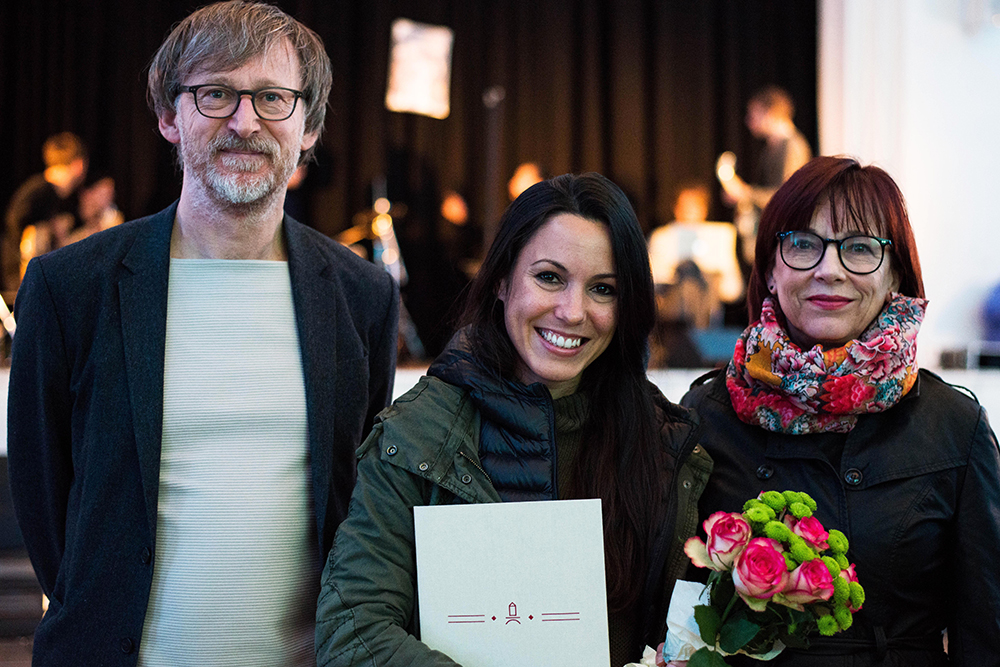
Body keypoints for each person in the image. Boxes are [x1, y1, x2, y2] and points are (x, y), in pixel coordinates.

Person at [7, 2, 399, 665]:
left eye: (272, 97)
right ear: (169, 116)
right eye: (216, 93)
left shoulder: (361, 296)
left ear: (308, 127)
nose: (244, 122)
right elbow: (48, 510)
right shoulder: (69, 288)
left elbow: (350, 504)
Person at [315, 172, 713, 667]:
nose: (572, 311)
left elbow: (687, 627)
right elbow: (352, 629)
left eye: (603, 289)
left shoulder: (665, 441)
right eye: (549, 277)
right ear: (501, 281)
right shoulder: (416, 434)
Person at [681, 156, 1000, 666]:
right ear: (769, 268)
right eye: (804, 244)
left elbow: (987, 633)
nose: (830, 270)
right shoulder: (706, 414)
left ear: (896, 271)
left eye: (859, 248)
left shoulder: (954, 427)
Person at [718, 87, 811, 264]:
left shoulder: (793, 146)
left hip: (784, 239)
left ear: (768, 112)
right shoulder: (771, 147)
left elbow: (787, 197)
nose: (748, 121)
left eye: (753, 114)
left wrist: (745, 192)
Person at [3, 131, 88, 292]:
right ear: (79, 165)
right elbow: (14, 223)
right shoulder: (42, 192)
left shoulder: (48, 193)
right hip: (20, 279)